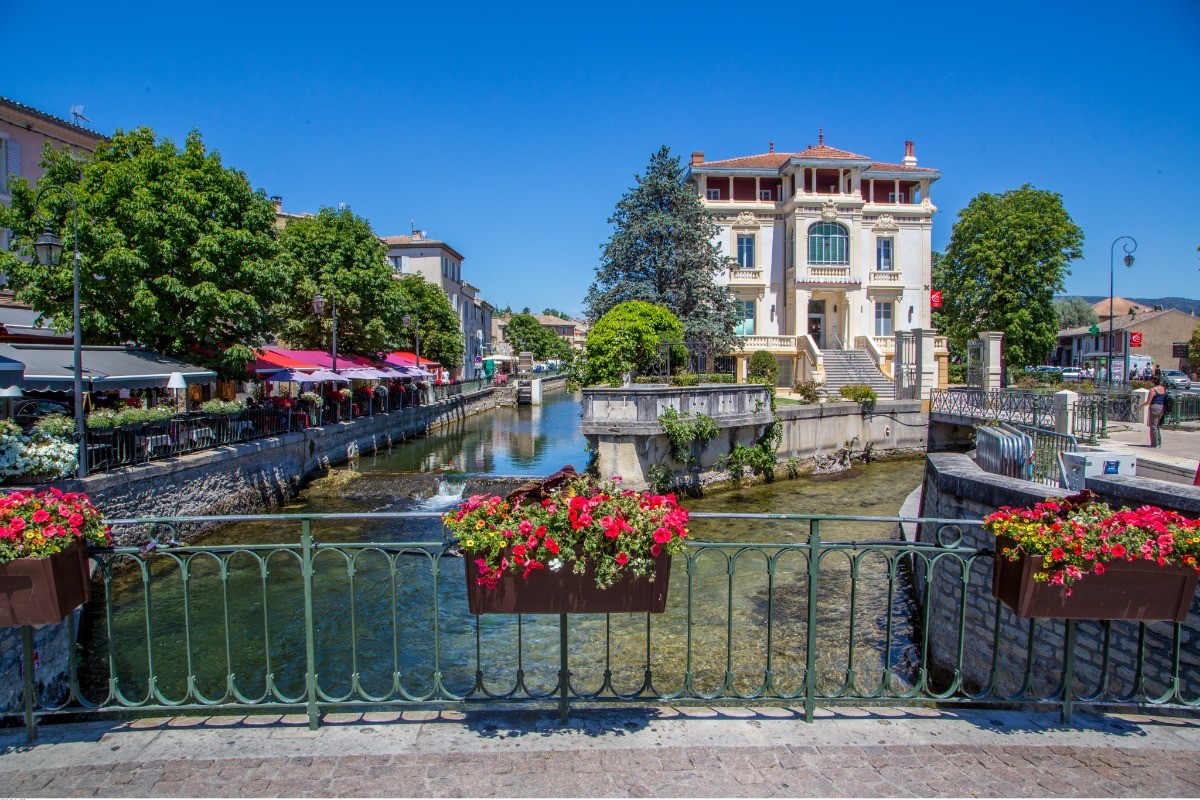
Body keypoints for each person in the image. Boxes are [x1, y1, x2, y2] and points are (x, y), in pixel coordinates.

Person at [1139, 377, 1167, 448]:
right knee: (1157, 425)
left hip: (1155, 407)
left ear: (1153, 381)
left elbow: (1148, 402)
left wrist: (1141, 406)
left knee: (1153, 425)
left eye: (1151, 381)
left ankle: (1155, 444)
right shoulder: (1163, 388)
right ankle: (1159, 442)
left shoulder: (1153, 390)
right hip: (1161, 407)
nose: (1150, 383)